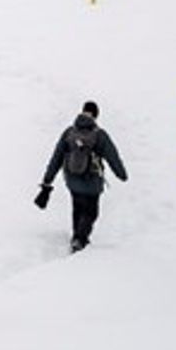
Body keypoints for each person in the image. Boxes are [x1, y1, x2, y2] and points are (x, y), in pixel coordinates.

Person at [37, 100, 128, 251]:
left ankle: (76, 237)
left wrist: (47, 180)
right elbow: (113, 157)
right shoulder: (100, 135)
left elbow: (56, 157)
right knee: (91, 212)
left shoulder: (69, 132)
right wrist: (121, 174)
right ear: (96, 115)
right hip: (92, 182)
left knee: (78, 208)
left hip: (72, 180)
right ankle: (80, 239)